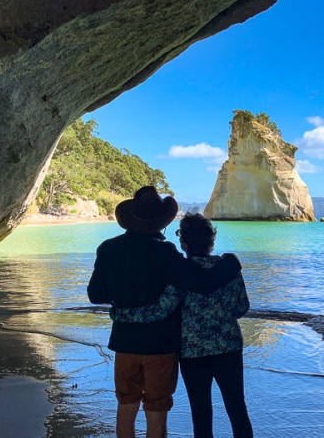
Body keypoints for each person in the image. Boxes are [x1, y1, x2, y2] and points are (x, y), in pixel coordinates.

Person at [87, 187, 242, 438]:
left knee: (126, 405)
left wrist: (122, 302)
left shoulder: (108, 249)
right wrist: (231, 263)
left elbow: (96, 295)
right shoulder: (165, 252)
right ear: (161, 221)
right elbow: (201, 283)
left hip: (124, 343)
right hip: (160, 346)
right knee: (156, 410)